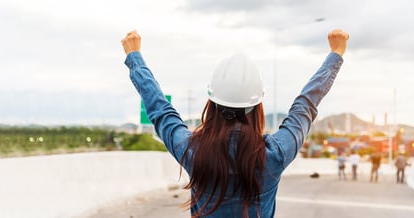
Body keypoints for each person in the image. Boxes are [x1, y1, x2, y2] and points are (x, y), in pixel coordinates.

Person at [121, 29, 349, 217]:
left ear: (212, 104)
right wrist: (335, 54)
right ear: (258, 107)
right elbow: (305, 106)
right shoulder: (274, 154)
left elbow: (161, 110)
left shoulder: (193, 151)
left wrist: (135, 58)